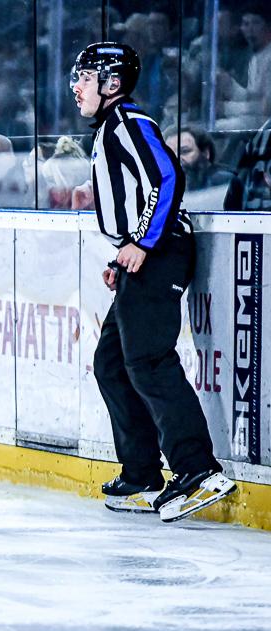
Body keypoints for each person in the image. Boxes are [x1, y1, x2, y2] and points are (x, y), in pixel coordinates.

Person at [70, 42, 236, 523]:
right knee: (111, 364)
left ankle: (198, 469)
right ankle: (142, 472)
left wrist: (142, 243)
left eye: (85, 78)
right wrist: (124, 255)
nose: (76, 87)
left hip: (161, 252)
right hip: (144, 256)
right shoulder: (110, 128)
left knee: (148, 361)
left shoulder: (129, 122)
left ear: (112, 84)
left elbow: (168, 177)